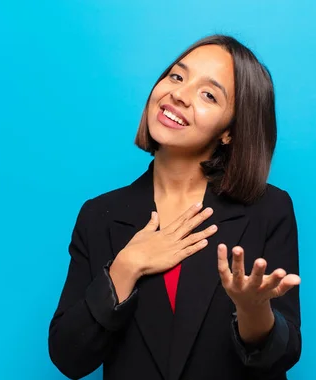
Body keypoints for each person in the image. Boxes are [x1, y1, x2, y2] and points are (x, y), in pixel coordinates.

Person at [48, 34, 302, 380]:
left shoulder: (269, 209)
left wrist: (253, 310)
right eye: (176, 76)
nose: (178, 95)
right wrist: (125, 267)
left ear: (229, 131)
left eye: (208, 95)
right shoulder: (99, 215)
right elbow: (68, 357)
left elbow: (283, 355)